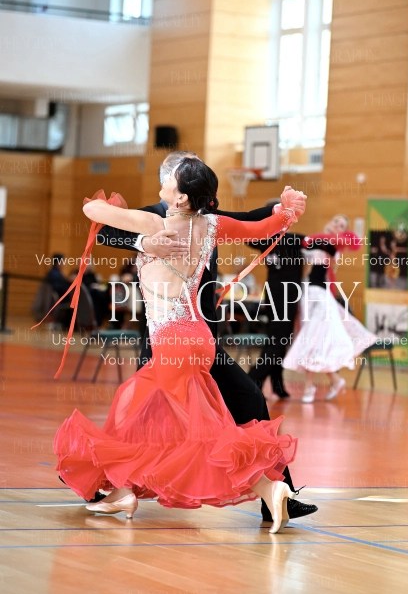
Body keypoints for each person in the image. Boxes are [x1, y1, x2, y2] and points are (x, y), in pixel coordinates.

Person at [53, 159, 306, 533]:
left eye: (170, 178)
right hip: (198, 338)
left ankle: (269, 487)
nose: (164, 181)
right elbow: (263, 227)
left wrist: (144, 240)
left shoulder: (156, 224)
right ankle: (121, 491)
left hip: (172, 342)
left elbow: (93, 210)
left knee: (203, 432)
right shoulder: (212, 225)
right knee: (137, 414)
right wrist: (284, 212)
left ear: (183, 197)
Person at [283, 214, 377, 403]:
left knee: (312, 340)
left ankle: (310, 387)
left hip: (321, 296)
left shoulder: (333, 244)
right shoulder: (319, 241)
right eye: (336, 222)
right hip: (308, 294)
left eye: (341, 225)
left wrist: (323, 236)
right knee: (316, 342)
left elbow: (352, 243)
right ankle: (335, 380)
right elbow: (306, 249)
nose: (337, 226)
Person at [248, 223, 305, 400]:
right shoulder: (294, 239)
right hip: (286, 296)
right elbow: (317, 242)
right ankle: (252, 382)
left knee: (278, 339)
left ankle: (277, 384)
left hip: (273, 294)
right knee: (278, 341)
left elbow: (247, 236)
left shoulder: (266, 240)